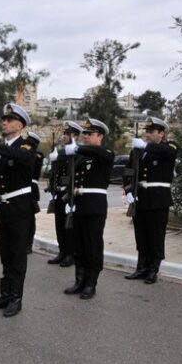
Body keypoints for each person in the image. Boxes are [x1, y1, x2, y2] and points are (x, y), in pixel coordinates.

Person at [0, 103, 36, 317]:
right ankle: (5, 295)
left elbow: (22, 158)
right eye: (3, 120)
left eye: (9, 120)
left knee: (17, 256)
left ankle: (16, 298)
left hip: (20, 208)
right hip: (2, 207)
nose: (4, 123)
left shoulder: (27, 144)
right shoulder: (2, 149)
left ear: (20, 124)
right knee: (5, 255)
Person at [60, 118, 114, 299]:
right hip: (78, 204)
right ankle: (80, 280)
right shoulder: (81, 156)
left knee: (92, 244)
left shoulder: (105, 153)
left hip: (94, 206)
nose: (86, 137)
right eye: (85, 134)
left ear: (100, 136)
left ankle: (91, 283)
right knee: (79, 245)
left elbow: (103, 155)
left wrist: (77, 148)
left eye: (90, 134)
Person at [124, 116, 178, 284]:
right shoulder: (137, 151)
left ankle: (153, 269)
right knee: (141, 234)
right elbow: (128, 171)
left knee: (156, 235)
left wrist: (146, 146)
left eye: (151, 131)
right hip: (140, 197)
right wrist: (128, 191)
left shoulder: (169, 146)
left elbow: (169, 153)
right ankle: (141, 267)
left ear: (161, 133)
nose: (147, 134)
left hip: (158, 199)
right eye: (146, 131)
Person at [47, 121, 82, 267]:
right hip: (59, 193)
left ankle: (71, 254)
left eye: (68, 134)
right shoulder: (61, 152)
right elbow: (54, 173)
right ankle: (62, 251)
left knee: (69, 226)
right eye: (64, 133)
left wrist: (58, 159)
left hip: (70, 194)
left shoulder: (77, 151)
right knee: (59, 225)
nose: (64, 136)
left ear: (75, 135)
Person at [26, 131, 44, 254]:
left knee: (30, 219)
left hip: (31, 188)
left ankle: (29, 244)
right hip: (23, 187)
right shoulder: (25, 152)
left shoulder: (38, 155)